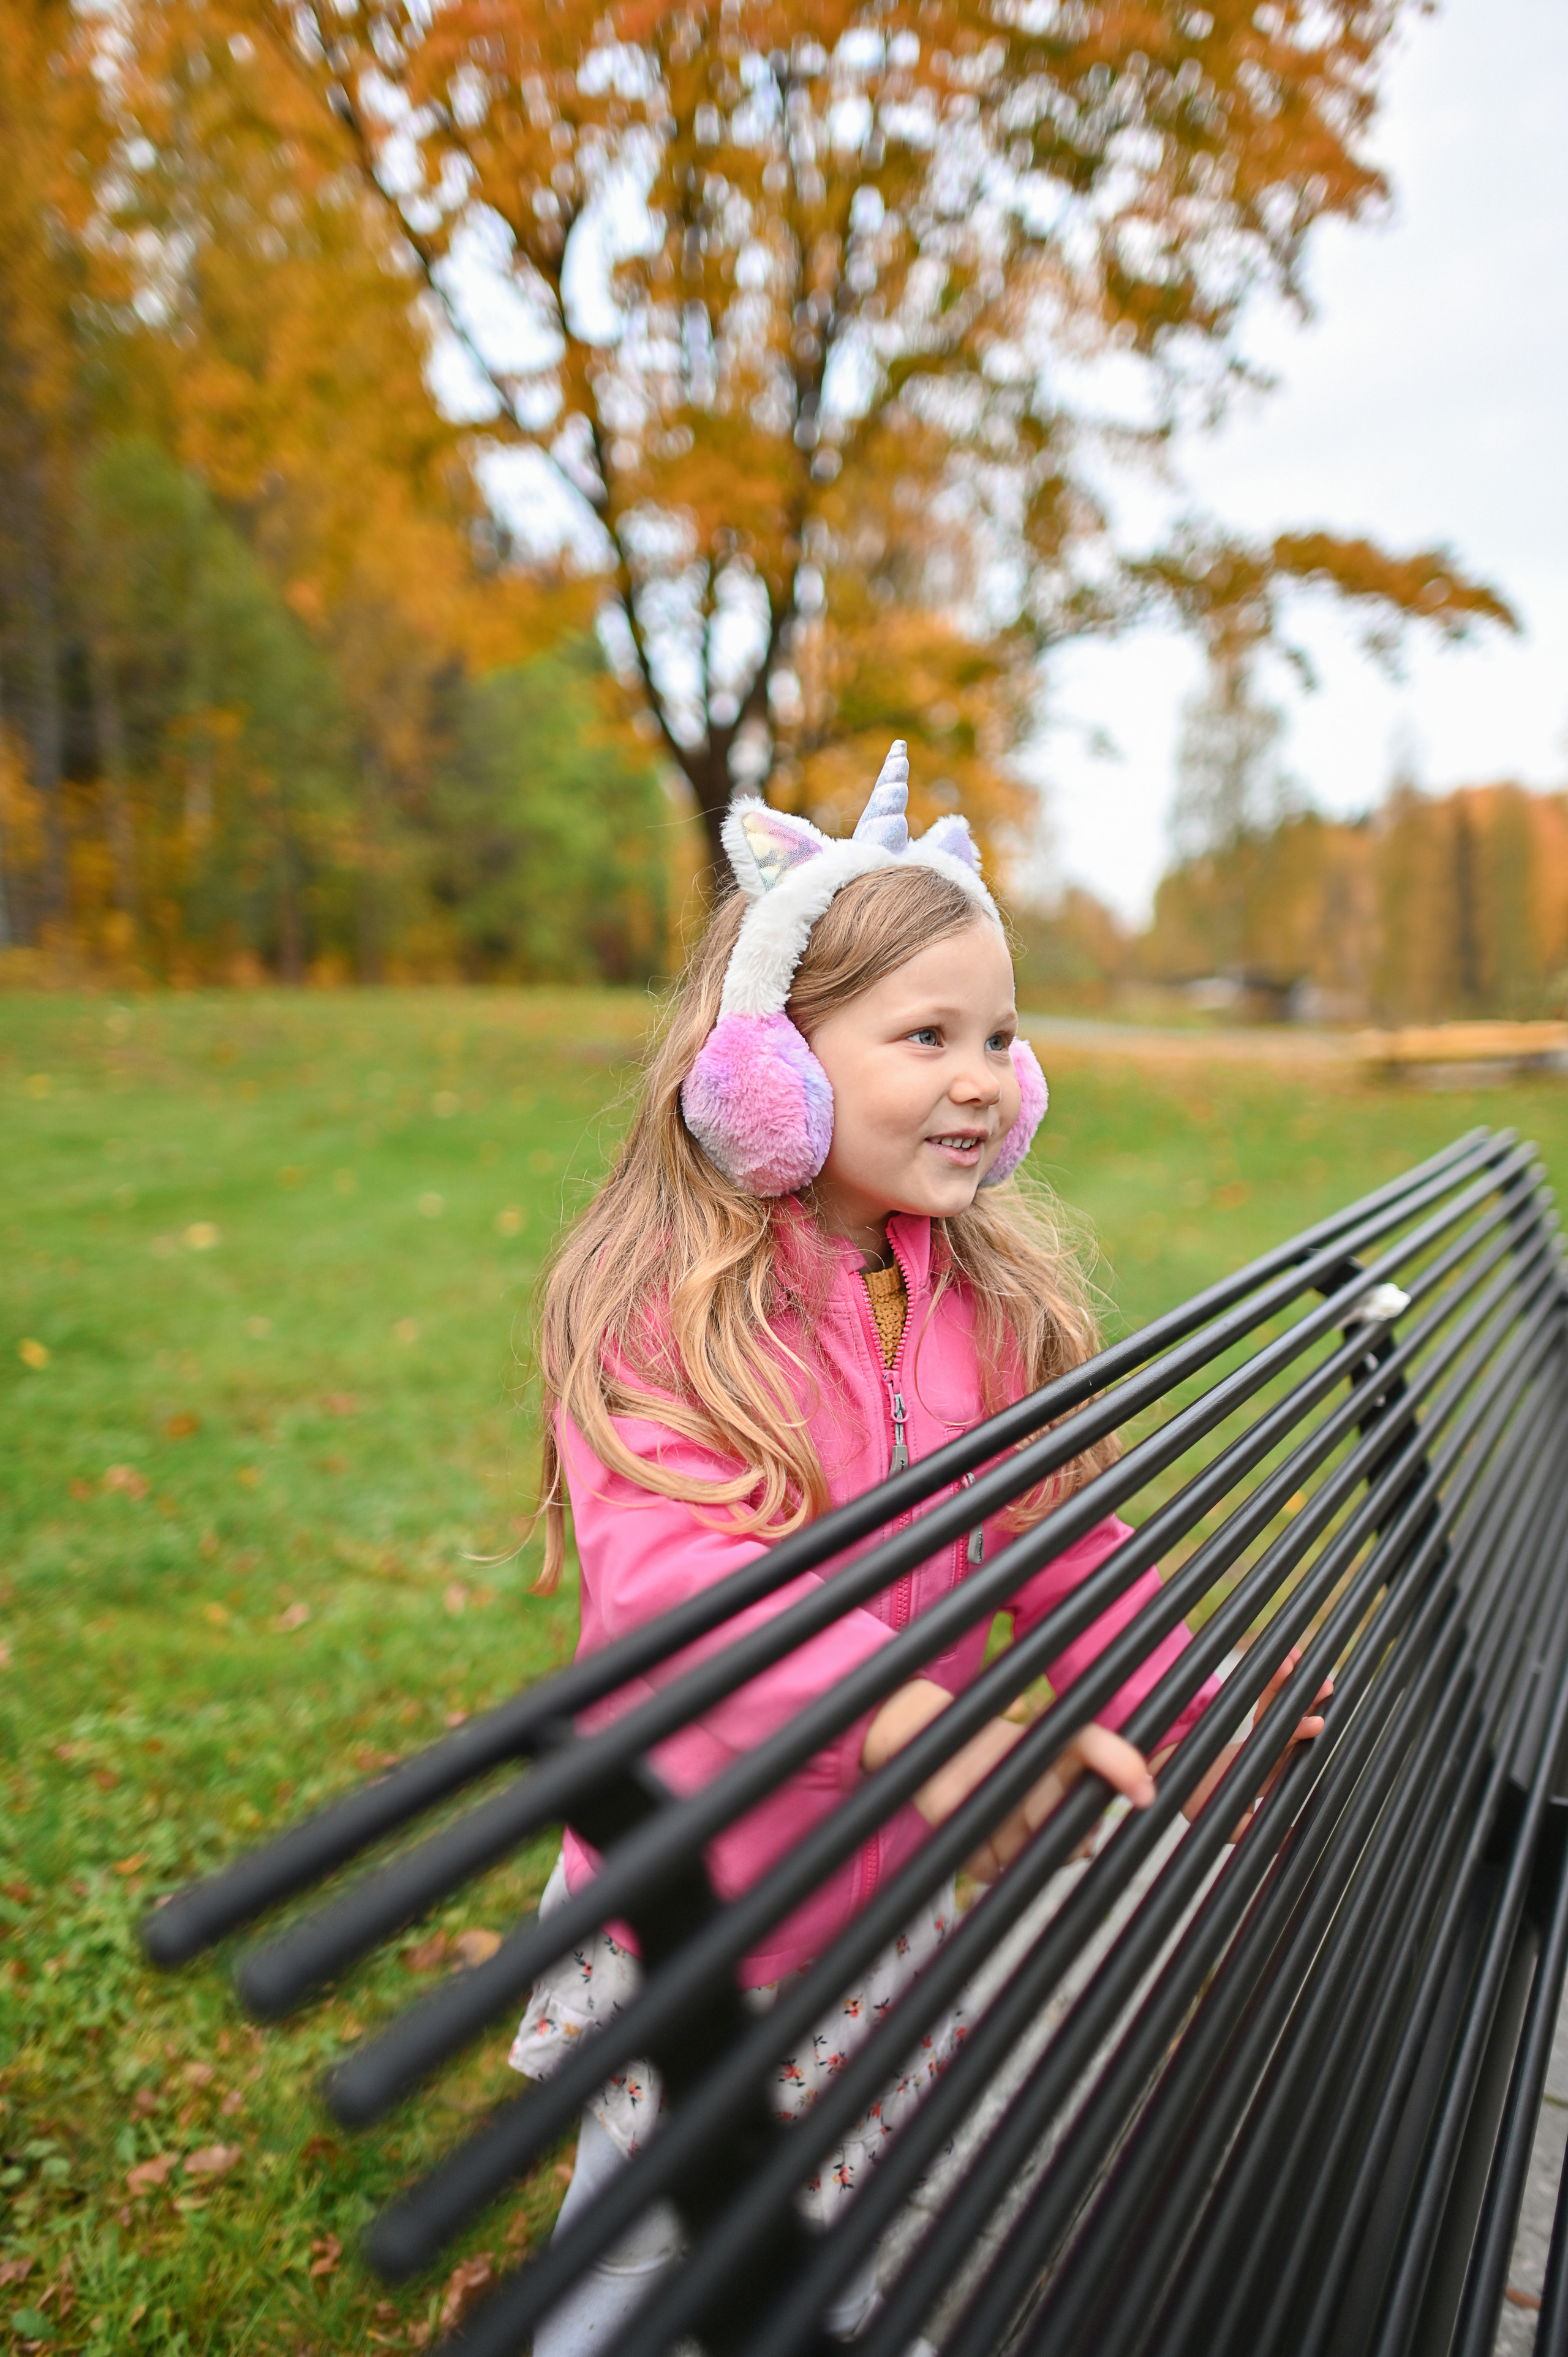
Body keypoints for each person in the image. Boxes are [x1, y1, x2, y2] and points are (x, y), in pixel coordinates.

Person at [510, 744, 1324, 2351]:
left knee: (862, 2224)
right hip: (711, 1904)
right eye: (928, 1037)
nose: (983, 1080)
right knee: (642, 2252)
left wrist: (1191, 1707)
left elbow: (1067, 1549)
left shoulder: (981, 1303)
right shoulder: (669, 1318)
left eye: (1001, 1039)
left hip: (889, 1896)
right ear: (770, 1074)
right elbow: (678, 1592)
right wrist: (914, 1726)